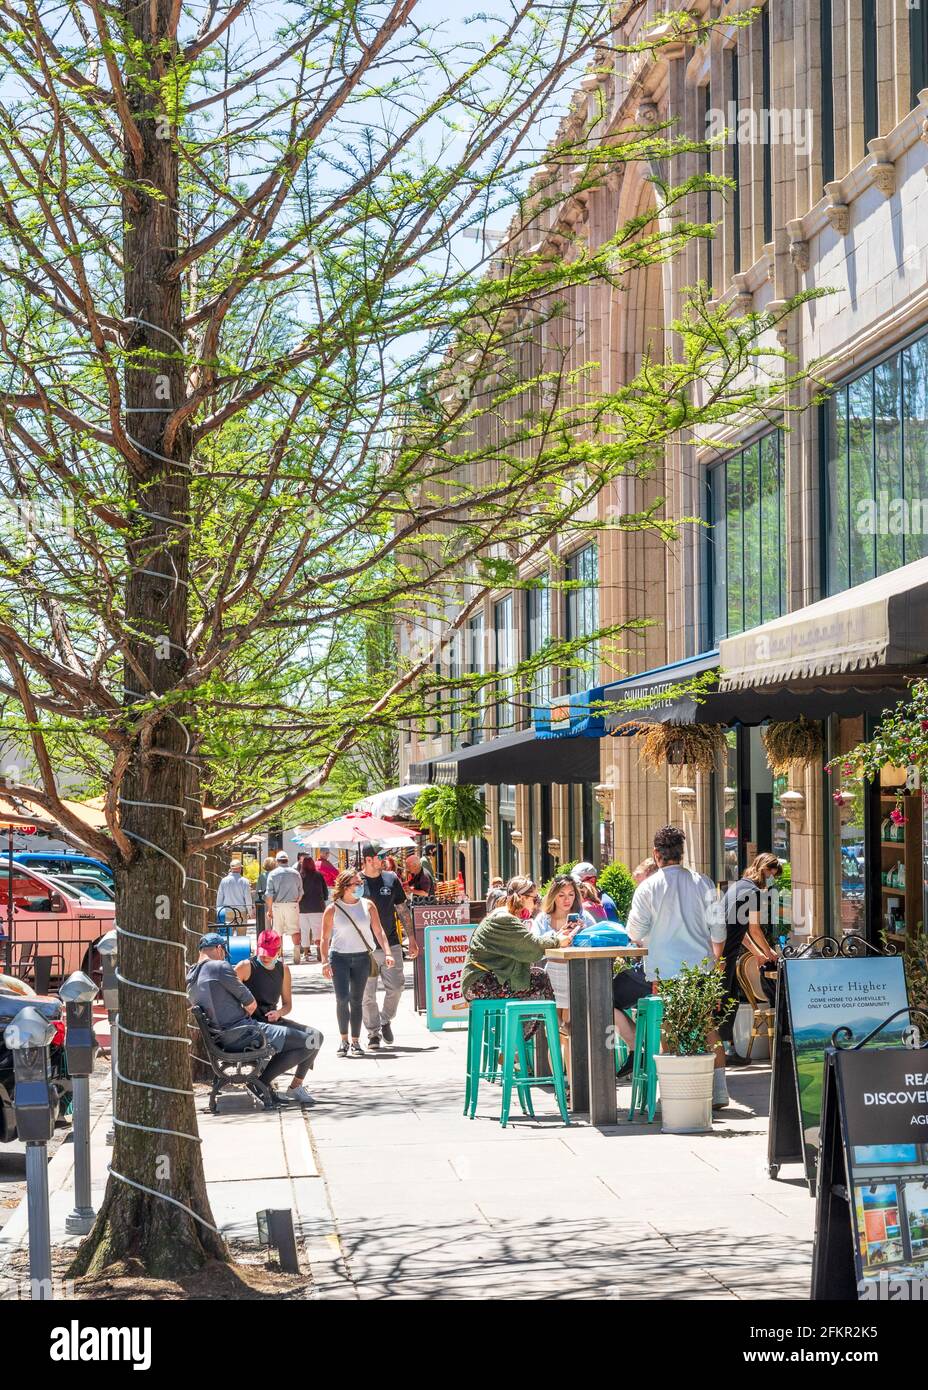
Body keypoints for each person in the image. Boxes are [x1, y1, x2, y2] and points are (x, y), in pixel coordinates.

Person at [626, 825, 729, 1108]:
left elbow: (634, 931)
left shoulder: (648, 887)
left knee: (668, 1029)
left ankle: (670, 1094)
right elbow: (718, 930)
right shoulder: (703, 882)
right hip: (701, 969)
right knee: (708, 1027)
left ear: (656, 854)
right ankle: (719, 1092)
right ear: (681, 853)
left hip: (665, 971)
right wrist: (715, 959)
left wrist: (650, 936)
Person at [187, 932, 322, 1104]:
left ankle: (269, 1085)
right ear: (219, 949)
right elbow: (250, 1004)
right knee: (310, 1040)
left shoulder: (191, 976)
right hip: (246, 1033)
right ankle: (260, 1084)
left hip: (222, 1038)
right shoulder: (220, 967)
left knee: (313, 1038)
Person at [462, 877, 576, 1018]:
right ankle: (530, 1034)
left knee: (537, 977)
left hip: (481, 980)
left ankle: (526, 1032)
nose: (536, 905)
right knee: (540, 980)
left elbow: (527, 944)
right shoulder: (504, 919)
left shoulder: (502, 914)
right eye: (535, 899)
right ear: (522, 898)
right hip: (479, 984)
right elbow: (531, 947)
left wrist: (556, 937)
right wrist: (557, 941)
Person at [234, 929, 323, 1103]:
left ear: (279, 950)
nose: (265, 957)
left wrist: (279, 1013)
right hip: (253, 1024)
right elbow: (228, 994)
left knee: (316, 1037)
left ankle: (295, 1086)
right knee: (307, 1043)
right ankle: (261, 1083)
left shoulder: (283, 970)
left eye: (270, 953)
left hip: (275, 1020)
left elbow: (288, 1004)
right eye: (263, 953)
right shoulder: (246, 966)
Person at [321, 868, 395, 1056]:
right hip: (339, 958)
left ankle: (355, 1041)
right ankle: (343, 1040)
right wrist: (324, 962)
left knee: (357, 1000)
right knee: (341, 999)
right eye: (357, 884)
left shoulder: (368, 905)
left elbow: (379, 931)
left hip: (362, 957)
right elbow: (324, 938)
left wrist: (388, 953)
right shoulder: (333, 909)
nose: (361, 886)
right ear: (346, 886)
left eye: (361, 884)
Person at [720, 853, 781, 1051]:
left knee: (728, 997)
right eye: (773, 874)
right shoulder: (753, 892)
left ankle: (728, 1048)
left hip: (720, 949)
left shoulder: (738, 885)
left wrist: (757, 952)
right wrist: (769, 951)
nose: (772, 880)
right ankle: (724, 1050)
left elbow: (741, 929)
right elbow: (754, 928)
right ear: (765, 870)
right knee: (727, 1000)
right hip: (725, 952)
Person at [357, 844, 416, 1049]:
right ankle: (373, 1033)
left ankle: (384, 1019)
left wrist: (412, 938)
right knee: (367, 993)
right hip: (365, 947)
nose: (383, 860)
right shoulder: (356, 882)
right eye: (379, 857)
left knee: (397, 987)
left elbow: (402, 909)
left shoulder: (391, 879)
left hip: (391, 943)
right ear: (367, 859)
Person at [264, 850, 304, 965]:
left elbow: (269, 894)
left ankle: (279, 956)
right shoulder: (295, 873)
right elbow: (301, 892)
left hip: (278, 905)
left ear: (277, 861)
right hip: (292, 904)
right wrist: (296, 901)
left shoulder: (273, 874)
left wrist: (269, 909)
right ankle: (296, 953)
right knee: (295, 930)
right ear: (287, 860)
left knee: (278, 931)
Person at [531, 873, 596, 938]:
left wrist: (583, 931)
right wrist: (557, 936)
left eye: (571, 894)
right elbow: (534, 943)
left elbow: (598, 940)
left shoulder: (584, 917)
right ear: (553, 896)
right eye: (561, 895)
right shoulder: (542, 919)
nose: (567, 900)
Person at [298, 853, 328, 963]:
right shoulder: (319, 875)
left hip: (303, 908)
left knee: (305, 931)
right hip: (317, 907)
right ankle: (320, 952)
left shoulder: (300, 876)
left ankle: (305, 953)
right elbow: (325, 893)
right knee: (318, 931)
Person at [216, 859, 253, 925]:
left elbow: (220, 896)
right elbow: (248, 898)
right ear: (239, 868)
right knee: (242, 934)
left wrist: (218, 909)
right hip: (241, 911)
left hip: (228, 910)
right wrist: (250, 912)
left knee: (229, 934)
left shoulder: (224, 881)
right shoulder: (244, 881)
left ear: (231, 868)